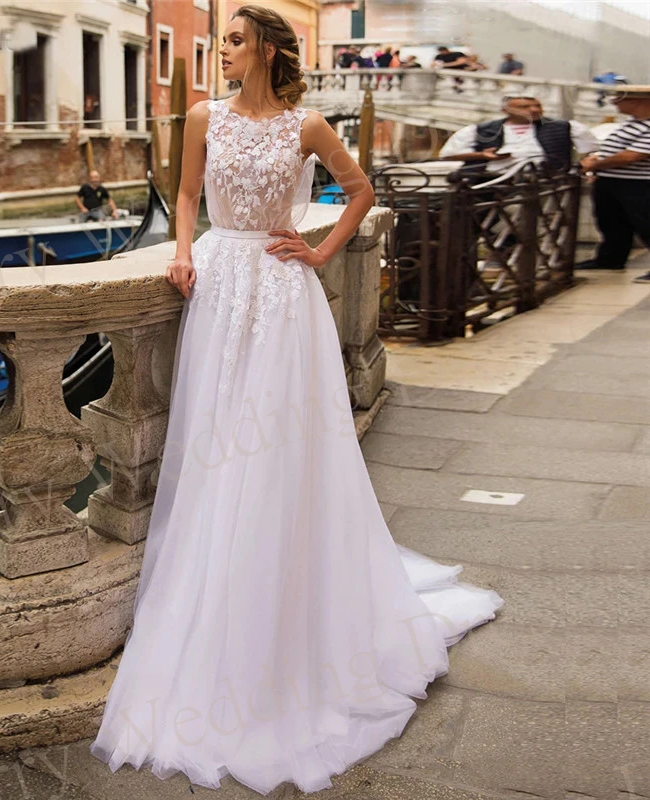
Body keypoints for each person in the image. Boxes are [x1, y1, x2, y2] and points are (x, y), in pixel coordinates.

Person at [89, 5, 504, 795]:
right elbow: (182, 198)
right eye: (227, 42)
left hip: (283, 296)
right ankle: (215, 584)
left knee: (276, 448)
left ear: (270, 51)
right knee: (214, 436)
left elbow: (359, 190)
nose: (226, 53)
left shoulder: (308, 125)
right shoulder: (203, 114)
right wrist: (180, 257)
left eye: (238, 41)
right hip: (219, 285)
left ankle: (279, 595)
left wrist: (317, 250)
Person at [576, 86, 650, 282]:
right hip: (613, 180)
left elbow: (632, 156)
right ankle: (610, 259)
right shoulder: (632, 123)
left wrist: (596, 164)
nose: (614, 103)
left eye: (620, 99)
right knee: (612, 222)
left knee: (645, 223)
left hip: (639, 183)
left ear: (639, 102)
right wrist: (597, 160)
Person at [439, 95, 600, 175]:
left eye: (537, 106)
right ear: (506, 111)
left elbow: (593, 151)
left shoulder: (567, 126)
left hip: (545, 179)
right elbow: (447, 155)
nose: (534, 110)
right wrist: (482, 155)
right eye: (525, 107)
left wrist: (588, 162)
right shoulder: (478, 129)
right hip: (491, 178)